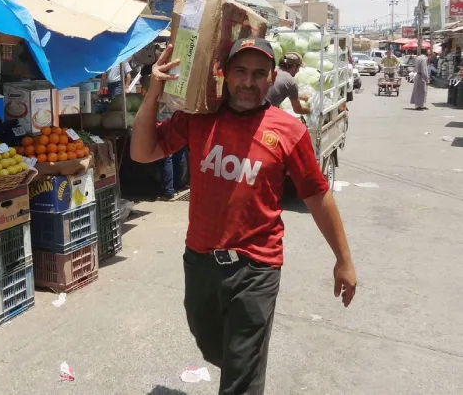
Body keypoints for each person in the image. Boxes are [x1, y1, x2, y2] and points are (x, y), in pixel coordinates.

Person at [131, 37, 357, 395]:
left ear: (272, 79)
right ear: (223, 74)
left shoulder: (288, 131)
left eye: (259, 74)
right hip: (201, 261)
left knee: (241, 376)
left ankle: (243, 367)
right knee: (209, 343)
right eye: (240, 71)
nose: (248, 82)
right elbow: (143, 152)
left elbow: (317, 193)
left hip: (257, 267)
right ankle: (240, 359)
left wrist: (343, 260)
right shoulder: (199, 117)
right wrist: (153, 92)